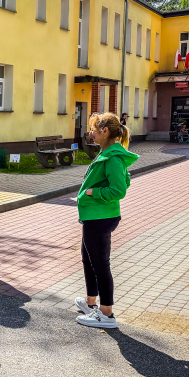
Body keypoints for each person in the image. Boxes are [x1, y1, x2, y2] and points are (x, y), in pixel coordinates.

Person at [74, 112, 138, 329]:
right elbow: (125, 180)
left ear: (105, 132)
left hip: (101, 217)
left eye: (94, 129)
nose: (90, 132)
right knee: (88, 259)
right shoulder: (107, 153)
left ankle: (106, 313)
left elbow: (119, 189)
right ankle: (91, 302)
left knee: (100, 264)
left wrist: (93, 193)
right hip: (94, 216)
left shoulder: (113, 157)